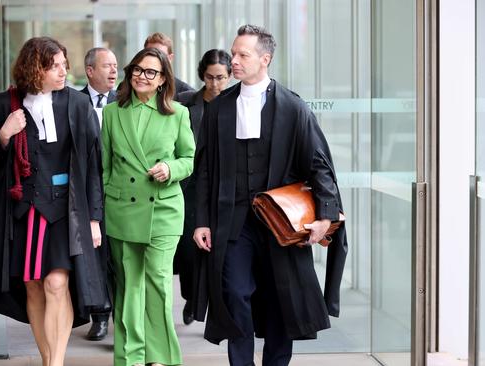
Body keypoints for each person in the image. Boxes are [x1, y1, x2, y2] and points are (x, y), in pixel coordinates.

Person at [192, 25, 348, 366]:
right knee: (234, 294)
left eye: (242, 55)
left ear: (265, 59)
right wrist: (201, 221)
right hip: (232, 222)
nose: (234, 60)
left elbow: (318, 163)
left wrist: (325, 215)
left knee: (281, 299)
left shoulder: (293, 107)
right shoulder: (219, 109)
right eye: (233, 53)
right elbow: (203, 169)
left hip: (282, 223)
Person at [0, 37, 107, 366]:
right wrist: (4, 135)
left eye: (65, 64)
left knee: (56, 282)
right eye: (56, 66)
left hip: (67, 210)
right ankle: (49, 357)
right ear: (36, 68)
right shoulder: (4, 105)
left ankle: (55, 362)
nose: (64, 71)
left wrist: (94, 218)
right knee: (33, 284)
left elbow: (93, 166)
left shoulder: (77, 105)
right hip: (22, 210)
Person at [101, 47, 195, 366]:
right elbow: (105, 166)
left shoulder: (177, 113)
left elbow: (189, 159)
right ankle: (130, 357)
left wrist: (171, 169)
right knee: (128, 287)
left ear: (163, 79)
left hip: (163, 210)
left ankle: (161, 357)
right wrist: (106, 200)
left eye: (151, 72)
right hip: (122, 211)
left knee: (158, 282)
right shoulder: (112, 113)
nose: (143, 76)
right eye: (138, 69)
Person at [175, 49, 232, 325]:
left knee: (220, 249)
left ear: (230, 76)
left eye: (221, 78)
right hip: (191, 185)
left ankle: (213, 304)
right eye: (209, 77)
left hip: (225, 186)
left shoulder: (236, 104)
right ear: (202, 75)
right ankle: (191, 298)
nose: (215, 84)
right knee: (189, 248)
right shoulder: (185, 103)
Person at [79, 46, 119, 342]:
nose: (114, 71)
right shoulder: (73, 102)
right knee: (96, 253)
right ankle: (100, 315)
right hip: (86, 188)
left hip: (119, 188)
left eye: (116, 65)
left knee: (118, 256)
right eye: (107, 66)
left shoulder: (126, 100)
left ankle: (123, 323)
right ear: (90, 70)